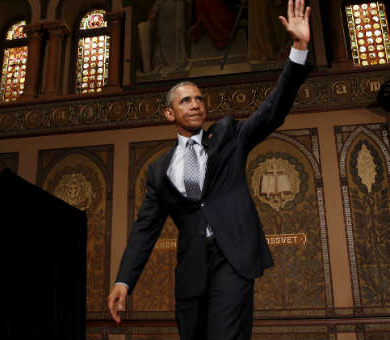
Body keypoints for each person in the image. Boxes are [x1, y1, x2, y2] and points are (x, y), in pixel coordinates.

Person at [108, 1, 311, 338]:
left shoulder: (229, 136)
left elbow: (273, 110)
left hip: (233, 259)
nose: (196, 104)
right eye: (185, 100)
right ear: (169, 114)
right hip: (191, 271)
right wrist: (124, 280)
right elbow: (145, 229)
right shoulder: (159, 170)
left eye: (199, 98)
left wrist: (299, 49)